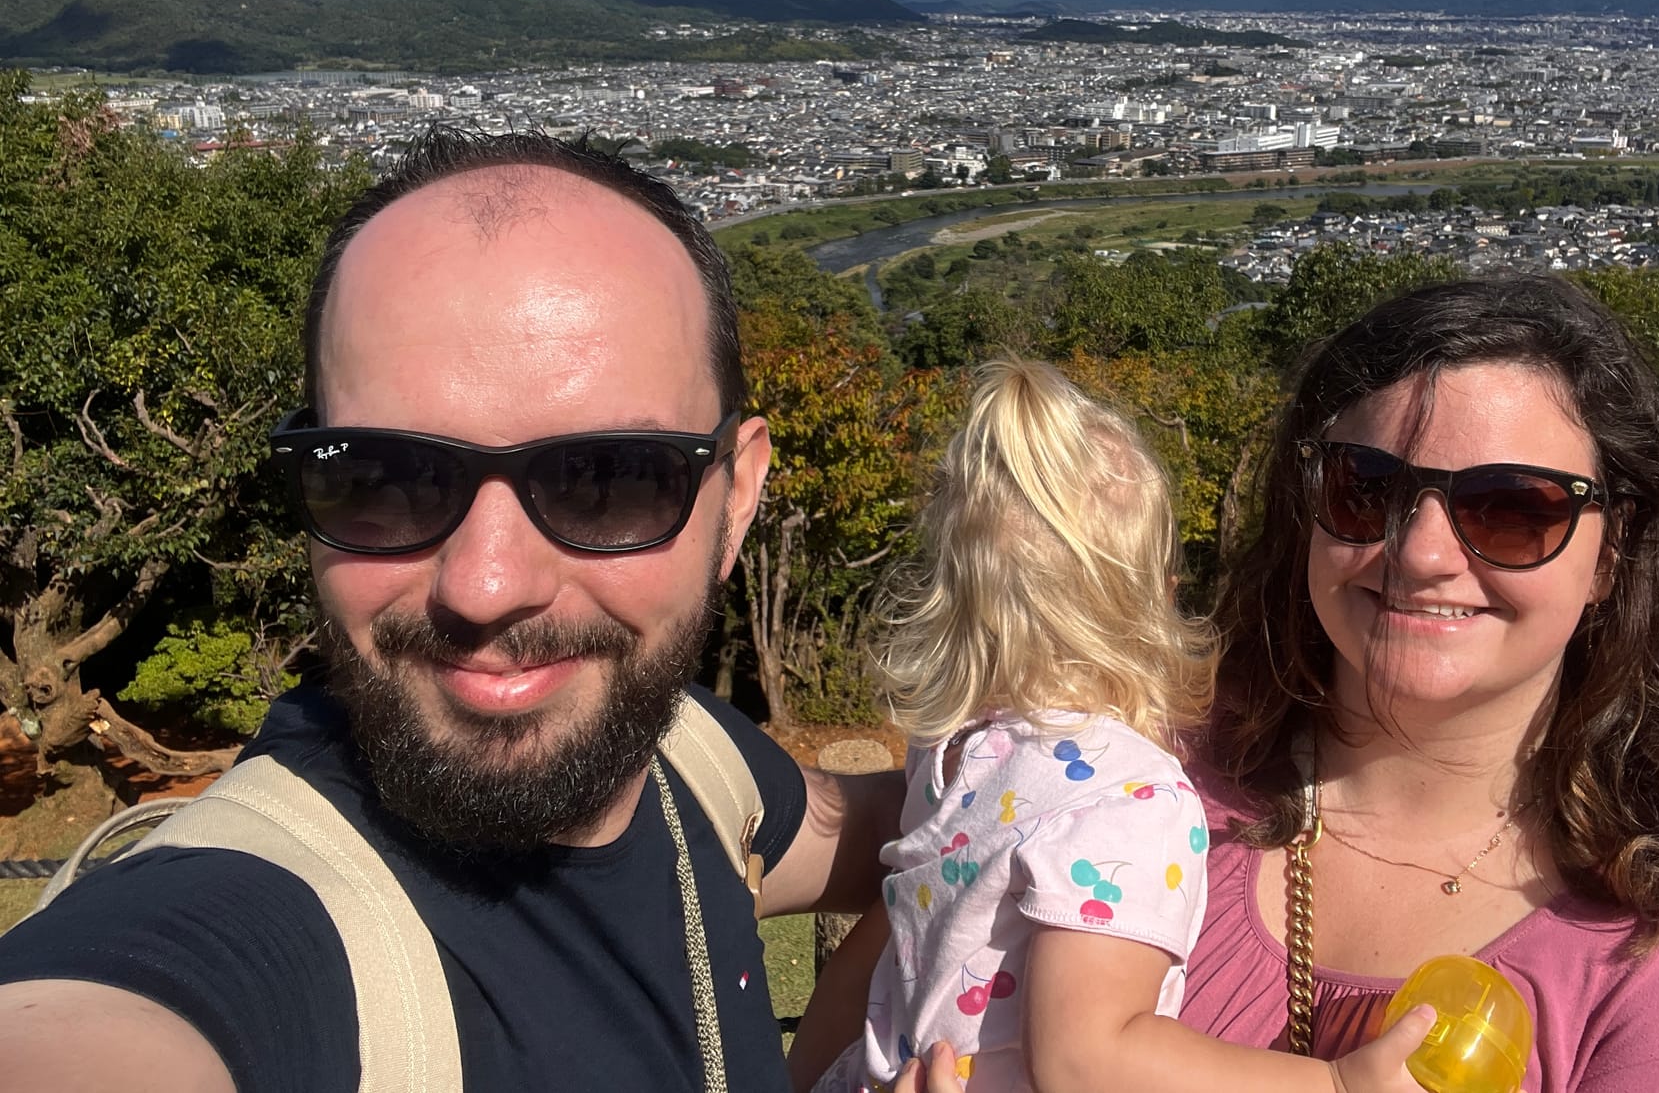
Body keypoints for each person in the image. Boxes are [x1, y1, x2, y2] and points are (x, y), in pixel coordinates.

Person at [0, 128, 917, 1093]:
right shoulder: (244, 921)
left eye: (610, 479)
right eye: (385, 477)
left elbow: (937, 831)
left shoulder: (694, 762)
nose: (485, 586)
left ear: (737, 499)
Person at [1178, 274, 1659, 1090]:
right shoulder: (1127, 790)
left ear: (1613, 554)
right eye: (1367, 489)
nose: (1421, 553)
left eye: (1513, 509)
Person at [787, 358, 1436, 1093]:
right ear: (1158, 597)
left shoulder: (954, 754)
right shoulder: (1129, 798)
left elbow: (870, 956)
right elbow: (1085, 1058)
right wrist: (1335, 1085)